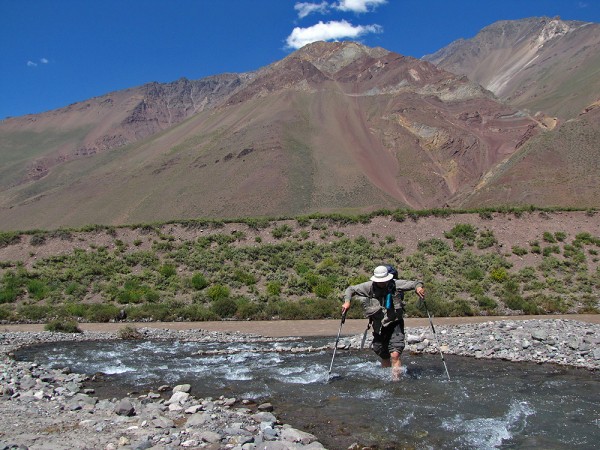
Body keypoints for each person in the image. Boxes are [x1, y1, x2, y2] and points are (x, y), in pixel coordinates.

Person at [342, 265, 425, 381]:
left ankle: (396, 381)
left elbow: (415, 283)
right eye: (379, 281)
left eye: (384, 281)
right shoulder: (368, 287)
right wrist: (347, 302)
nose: (382, 283)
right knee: (384, 354)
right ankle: (386, 380)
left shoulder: (395, 283)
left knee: (395, 354)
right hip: (378, 325)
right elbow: (350, 289)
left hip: (395, 322)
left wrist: (418, 288)